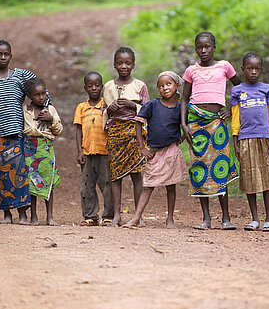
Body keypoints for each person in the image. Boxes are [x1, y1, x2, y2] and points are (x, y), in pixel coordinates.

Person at [0, 39, 48, 224]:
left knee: (21, 174)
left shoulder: (21, 76)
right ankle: (7, 214)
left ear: (11, 56)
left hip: (18, 134)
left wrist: (46, 110)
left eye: (6, 54)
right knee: (1, 175)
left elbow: (40, 90)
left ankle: (23, 213)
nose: (3, 57)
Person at [181, 31, 241, 230]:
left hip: (217, 124)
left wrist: (231, 111)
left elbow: (240, 90)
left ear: (214, 47)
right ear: (195, 49)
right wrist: (184, 124)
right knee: (200, 168)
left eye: (207, 46)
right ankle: (206, 218)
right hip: (196, 124)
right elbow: (183, 99)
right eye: (200, 47)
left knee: (220, 166)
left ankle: (226, 217)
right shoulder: (191, 71)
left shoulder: (224, 66)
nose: (204, 50)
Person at [122, 71, 188, 229]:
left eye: (168, 84)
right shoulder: (152, 105)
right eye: (161, 86)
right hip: (154, 152)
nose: (165, 88)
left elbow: (187, 125)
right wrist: (142, 147)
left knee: (171, 186)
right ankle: (136, 218)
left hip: (171, 150)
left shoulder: (180, 108)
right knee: (148, 185)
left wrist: (182, 138)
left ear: (177, 86)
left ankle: (170, 219)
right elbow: (138, 123)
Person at [230, 52, 269, 232]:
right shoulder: (237, 91)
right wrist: (235, 140)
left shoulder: (268, 89)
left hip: (264, 138)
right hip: (245, 138)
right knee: (249, 176)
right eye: (249, 68)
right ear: (243, 69)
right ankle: (255, 219)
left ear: (261, 70)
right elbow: (235, 117)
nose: (253, 72)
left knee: (266, 176)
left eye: (257, 69)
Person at [103, 47, 150, 227]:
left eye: (128, 63)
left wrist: (132, 105)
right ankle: (117, 215)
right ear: (114, 65)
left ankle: (138, 216)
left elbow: (148, 110)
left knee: (137, 175)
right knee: (116, 175)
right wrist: (110, 109)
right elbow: (103, 113)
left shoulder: (140, 86)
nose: (124, 66)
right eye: (120, 63)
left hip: (135, 134)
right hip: (115, 133)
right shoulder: (108, 86)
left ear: (133, 65)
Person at [73, 71, 114, 226]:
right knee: (87, 185)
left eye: (97, 85)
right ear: (85, 88)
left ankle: (109, 215)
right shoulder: (81, 107)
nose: (94, 88)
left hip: (105, 152)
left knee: (108, 184)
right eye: (90, 86)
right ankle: (90, 216)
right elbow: (78, 129)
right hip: (87, 152)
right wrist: (79, 151)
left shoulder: (107, 106)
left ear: (102, 87)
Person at [22, 77, 62, 226]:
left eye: (43, 94)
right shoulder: (25, 110)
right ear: (29, 96)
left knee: (48, 181)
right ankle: (33, 216)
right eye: (37, 95)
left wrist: (51, 120)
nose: (41, 97)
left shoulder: (50, 110)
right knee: (32, 183)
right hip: (29, 150)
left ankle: (50, 217)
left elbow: (59, 131)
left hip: (46, 150)